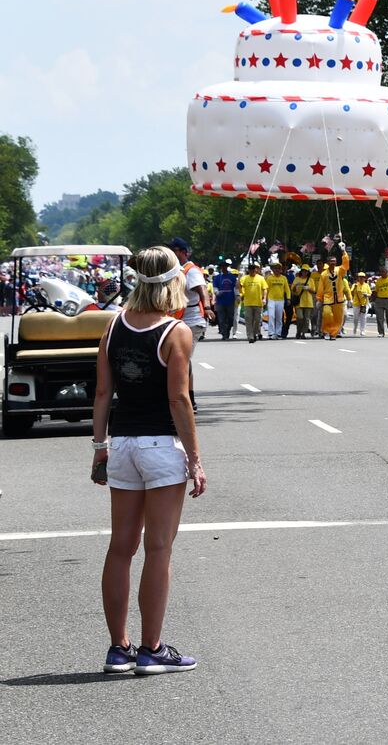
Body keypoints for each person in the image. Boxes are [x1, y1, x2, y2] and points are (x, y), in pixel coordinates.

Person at [91, 245, 207, 675]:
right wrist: (195, 458)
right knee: (158, 548)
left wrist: (99, 447)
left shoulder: (113, 326)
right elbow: (179, 399)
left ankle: (118, 648)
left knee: (120, 547)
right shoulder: (176, 333)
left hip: (121, 444)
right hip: (160, 446)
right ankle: (151, 649)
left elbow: (103, 393)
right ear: (174, 281)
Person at [166, 238, 208, 412]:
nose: (171, 254)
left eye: (174, 250)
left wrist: (207, 307)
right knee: (176, 359)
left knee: (182, 359)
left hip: (192, 321)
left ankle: (189, 400)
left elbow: (202, 289)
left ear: (182, 252)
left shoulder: (191, 271)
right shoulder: (174, 271)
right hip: (176, 322)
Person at [318, 248, 351, 341]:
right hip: (328, 299)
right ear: (328, 263)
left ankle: (333, 334)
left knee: (338, 318)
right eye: (331, 261)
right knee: (327, 314)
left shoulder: (340, 270)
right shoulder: (324, 274)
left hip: (339, 299)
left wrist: (344, 252)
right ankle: (327, 331)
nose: (333, 263)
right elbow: (321, 287)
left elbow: (346, 265)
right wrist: (319, 298)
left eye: (334, 261)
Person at [238, 263, 267, 344]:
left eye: (254, 270)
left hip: (258, 302)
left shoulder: (261, 278)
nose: (252, 271)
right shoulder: (245, 278)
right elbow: (238, 286)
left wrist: (264, 298)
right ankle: (250, 336)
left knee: (257, 320)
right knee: (248, 320)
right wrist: (239, 278)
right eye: (250, 270)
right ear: (249, 270)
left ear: (256, 270)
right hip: (248, 303)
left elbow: (265, 289)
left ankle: (254, 333)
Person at [210, 263, 238, 341]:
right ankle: (224, 333)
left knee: (230, 318)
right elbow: (214, 287)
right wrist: (217, 292)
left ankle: (228, 330)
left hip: (230, 300)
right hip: (220, 301)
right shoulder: (218, 278)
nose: (223, 268)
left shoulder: (232, 277)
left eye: (225, 267)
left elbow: (236, 288)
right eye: (222, 267)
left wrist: (237, 296)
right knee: (221, 318)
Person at [290, 266, 316, 339]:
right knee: (300, 317)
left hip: (308, 302)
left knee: (306, 319)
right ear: (301, 271)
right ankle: (298, 331)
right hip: (299, 301)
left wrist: (308, 289)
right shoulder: (297, 279)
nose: (305, 272)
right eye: (303, 271)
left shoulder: (311, 280)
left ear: (308, 272)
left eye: (306, 271)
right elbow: (293, 290)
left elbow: (314, 291)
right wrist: (296, 285)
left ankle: (303, 333)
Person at [265, 263, 289, 340]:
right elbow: (266, 289)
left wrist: (288, 298)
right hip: (271, 299)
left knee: (279, 317)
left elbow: (287, 289)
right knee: (271, 316)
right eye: (275, 268)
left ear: (281, 270)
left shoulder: (283, 278)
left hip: (280, 300)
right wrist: (265, 299)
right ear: (273, 270)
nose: (277, 270)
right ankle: (271, 333)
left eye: (278, 268)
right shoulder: (269, 278)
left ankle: (278, 333)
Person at [350, 271, 371, 337]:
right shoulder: (355, 285)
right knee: (355, 318)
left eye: (363, 277)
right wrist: (355, 288)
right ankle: (355, 328)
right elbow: (352, 293)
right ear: (358, 278)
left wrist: (366, 295)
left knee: (363, 318)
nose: (361, 278)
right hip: (356, 304)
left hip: (364, 304)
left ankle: (362, 330)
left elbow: (370, 293)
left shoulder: (366, 285)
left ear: (365, 278)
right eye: (360, 277)